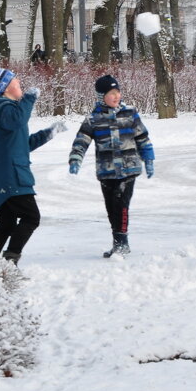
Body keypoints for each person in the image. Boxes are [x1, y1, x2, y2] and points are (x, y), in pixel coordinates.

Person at [0, 67, 63, 264]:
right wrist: (29, 99)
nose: (21, 87)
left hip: (2, 172)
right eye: (17, 84)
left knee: (6, 223)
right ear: (5, 88)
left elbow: (22, 145)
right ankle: (10, 258)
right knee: (31, 217)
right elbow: (18, 120)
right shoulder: (5, 109)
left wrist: (48, 133)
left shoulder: (3, 109)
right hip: (9, 174)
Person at [68, 74, 154, 258]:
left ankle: (122, 243)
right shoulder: (94, 119)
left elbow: (142, 138)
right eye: (111, 93)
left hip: (129, 169)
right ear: (101, 97)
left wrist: (148, 159)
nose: (116, 96)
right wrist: (75, 159)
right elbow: (81, 141)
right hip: (106, 171)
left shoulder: (130, 113)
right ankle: (117, 242)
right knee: (111, 207)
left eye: (118, 92)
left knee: (122, 204)